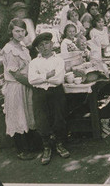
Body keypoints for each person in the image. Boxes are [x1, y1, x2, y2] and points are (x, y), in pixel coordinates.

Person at [28, 32, 69, 165]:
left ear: (52, 44)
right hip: (39, 94)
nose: (44, 47)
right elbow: (31, 80)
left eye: (46, 43)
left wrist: (41, 77)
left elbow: (58, 79)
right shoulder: (34, 62)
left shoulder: (58, 60)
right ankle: (46, 147)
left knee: (59, 117)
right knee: (42, 119)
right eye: (41, 45)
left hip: (55, 92)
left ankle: (60, 144)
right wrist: (47, 75)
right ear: (37, 48)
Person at [1, 18, 36, 160]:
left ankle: (30, 145)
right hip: (16, 87)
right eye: (17, 31)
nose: (20, 34)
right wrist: (32, 83)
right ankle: (22, 150)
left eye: (22, 31)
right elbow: (14, 73)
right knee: (17, 116)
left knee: (26, 114)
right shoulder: (9, 49)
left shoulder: (23, 48)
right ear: (11, 32)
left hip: (25, 86)